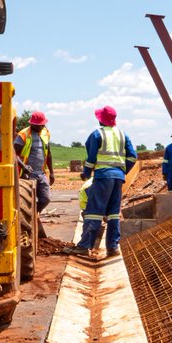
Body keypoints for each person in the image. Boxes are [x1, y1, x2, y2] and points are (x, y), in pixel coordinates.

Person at [64, 105, 137, 259]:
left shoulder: (97, 134)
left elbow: (91, 159)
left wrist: (86, 173)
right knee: (113, 214)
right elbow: (132, 157)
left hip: (103, 176)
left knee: (94, 212)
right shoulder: (123, 135)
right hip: (118, 178)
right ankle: (113, 247)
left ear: (101, 120)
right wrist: (122, 171)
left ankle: (84, 246)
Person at [14, 110, 54, 215]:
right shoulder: (23, 135)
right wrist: (24, 166)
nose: (42, 126)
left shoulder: (45, 133)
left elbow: (48, 154)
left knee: (46, 199)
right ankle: (30, 217)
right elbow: (13, 153)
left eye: (43, 124)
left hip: (41, 173)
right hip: (27, 174)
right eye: (40, 125)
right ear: (33, 124)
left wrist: (52, 172)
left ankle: (34, 215)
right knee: (27, 200)